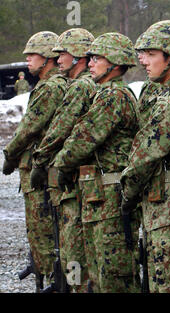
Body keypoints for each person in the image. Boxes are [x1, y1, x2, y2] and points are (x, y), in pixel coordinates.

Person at [52, 32, 140, 293]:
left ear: (114, 62)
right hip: (100, 195)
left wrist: (60, 166)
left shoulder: (114, 96)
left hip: (111, 197)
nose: (89, 63)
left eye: (97, 58)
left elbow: (83, 138)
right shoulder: (106, 93)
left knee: (113, 275)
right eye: (89, 58)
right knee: (100, 273)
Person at [120, 20, 170, 293]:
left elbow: (144, 156)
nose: (144, 61)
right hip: (166, 205)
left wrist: (127, 195)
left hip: (169, 209)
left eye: (152, 54)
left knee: (169, 284)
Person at [30, 28, 96, 293]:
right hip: (83, 177)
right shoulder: (86, 84)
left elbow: (59, 129)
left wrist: (40, 162)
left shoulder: (81, 85)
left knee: (73, 249)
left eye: (63, 54)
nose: (58, 60)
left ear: (79, 55)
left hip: (74, 178)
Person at [2, 31, 67, 290]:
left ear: (49, 57)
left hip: (42, 171)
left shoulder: (51, 87)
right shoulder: (48, 85)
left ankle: (52, 281)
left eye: (33, 54)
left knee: (44, 235)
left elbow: (29, 128)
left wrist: (9, 156)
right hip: (41, 169)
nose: (27, 59)